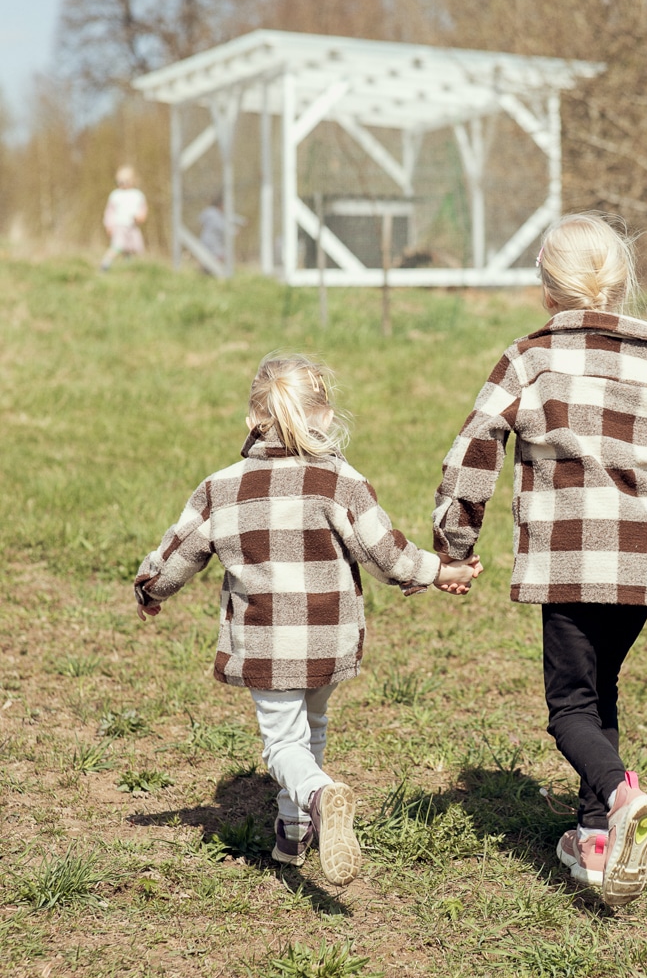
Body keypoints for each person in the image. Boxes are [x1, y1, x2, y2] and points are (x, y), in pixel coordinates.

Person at [433, 215, 647, 907]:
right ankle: (595, 837)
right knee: (601, 690)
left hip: (565, 561)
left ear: (546, 290)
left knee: (569, 708)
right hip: (636, 569)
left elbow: (475, 448)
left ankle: (622, 797)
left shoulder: (529, 359)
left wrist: (455, 539)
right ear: (623, 284)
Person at [134, 352, 478, 885]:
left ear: (252, 418)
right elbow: (386, 554)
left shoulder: (221, 487)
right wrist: (439, 571)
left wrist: (150, 589)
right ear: (325, 416)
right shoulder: (339, 480)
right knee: (311, 726)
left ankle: (317, 796)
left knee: (282, 744)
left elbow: (179, 553)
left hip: (266, 643)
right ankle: (294, 832)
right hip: (328, 639)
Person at [100, 166, 148, 272]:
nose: (122, 183)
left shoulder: (137, 195)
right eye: (119, 181)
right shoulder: (115, 195)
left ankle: (128, 269)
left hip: (133, 226)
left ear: (133, 180)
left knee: (133, 248)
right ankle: (105, 264)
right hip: (119, 226)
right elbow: (109, 212)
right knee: (117, 246)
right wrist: (109, 225)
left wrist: (140, 217)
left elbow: (143, 209)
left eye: (126, 181)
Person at [197, 195, 245, 269]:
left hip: (213, 239)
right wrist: (233, 231)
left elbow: (230, 217)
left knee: (218, 256)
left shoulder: (217, 213)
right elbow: (220, 226)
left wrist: (242, 221)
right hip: (212, 240)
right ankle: (209, 270)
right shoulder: (212, 214)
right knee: (220, 256)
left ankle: (209, 270)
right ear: (220, 204)